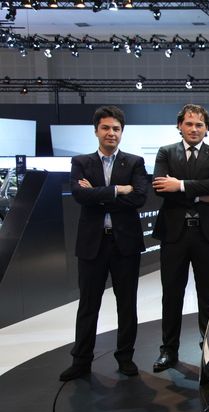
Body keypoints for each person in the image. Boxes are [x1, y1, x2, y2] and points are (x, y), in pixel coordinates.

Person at [60, 105, 148, 381]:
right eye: (106, 128)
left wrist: (98, 194)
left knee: (127, 304)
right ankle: (81, 361)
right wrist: (118, 190)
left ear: (122, 132)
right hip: (92, 244)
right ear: (96, 130)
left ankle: (125, 357)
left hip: (125, 245)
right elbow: (79, 195)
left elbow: (139, 198)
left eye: (116, 129)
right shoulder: (81, 162)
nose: (111, 133)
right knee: (88, 304)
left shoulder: (134, 162)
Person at [151, 104, 209, 372]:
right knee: (171, 294)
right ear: (179, 126)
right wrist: (199, 194)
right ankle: (168, 350)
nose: (194, 129)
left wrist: (180, 185)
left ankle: (208, 349)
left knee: (207, 294)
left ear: (207, 129)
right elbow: (160, 187)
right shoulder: (165, 152)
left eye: (199, 124)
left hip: (207, 235)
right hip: (174, 234)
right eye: (189, 124)